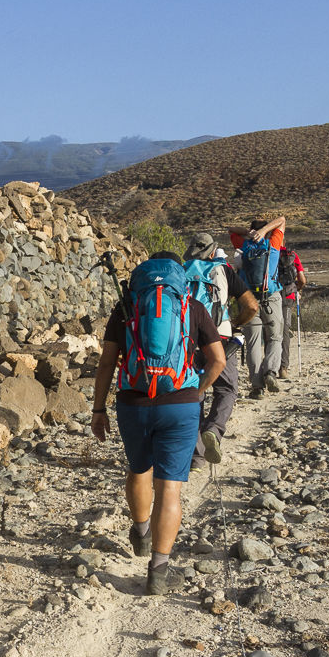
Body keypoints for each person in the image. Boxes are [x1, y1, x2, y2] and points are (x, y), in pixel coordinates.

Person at [91, 251, 226, 595]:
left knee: (139, 469)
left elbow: (107, 363)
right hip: (179, 404)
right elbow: (218, 360)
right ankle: (159, 572)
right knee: (170, 489)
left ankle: (140, 532)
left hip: (133, 402)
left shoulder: (126, 308)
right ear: (178, 276)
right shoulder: (191, 306)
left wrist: (98, 410)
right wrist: (197, 390)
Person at [183, 234, 260, 469]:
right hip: (220, 338)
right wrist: (235, 322)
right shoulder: (224, 271)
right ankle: (214, 431)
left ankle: (196, 457)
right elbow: (252, 306)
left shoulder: (181, 271)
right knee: (226, 389)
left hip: (189, 340)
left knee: (195, 392)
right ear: (213, 250)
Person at [228, 216, 286, 399]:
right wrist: (264, 232)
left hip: (248, 298)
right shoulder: (273, 242)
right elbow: (282, 220)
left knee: (253, 342)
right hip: (271, 296)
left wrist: (248, 233)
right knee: (276, 337)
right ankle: (270, 371)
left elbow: (230, 228)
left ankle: (257, 388)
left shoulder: (244, 245)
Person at [278, 246, 306, 379]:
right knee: (285, 331)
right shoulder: (292, 254)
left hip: (270, 295)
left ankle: (268, 367)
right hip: (288, 297)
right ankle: (283, 368)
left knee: (270, 330)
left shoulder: (269, 252)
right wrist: (296, 289)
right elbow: (302, 280)